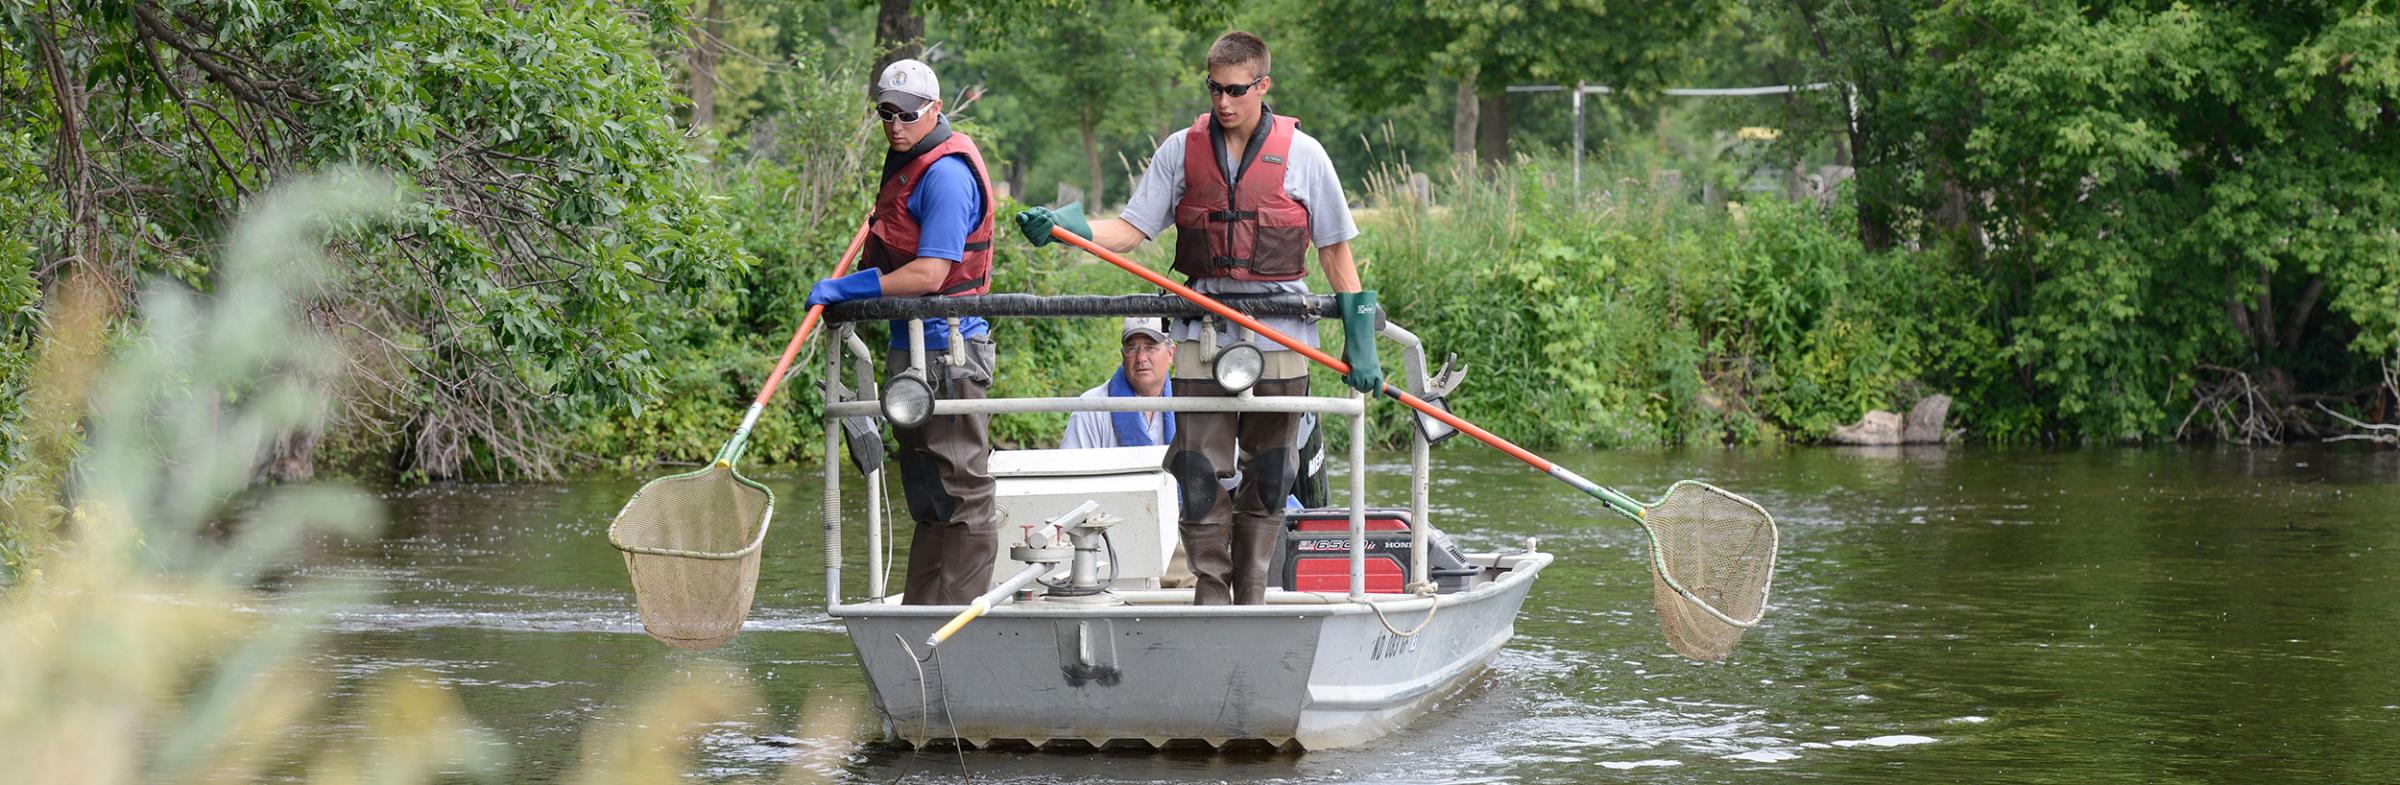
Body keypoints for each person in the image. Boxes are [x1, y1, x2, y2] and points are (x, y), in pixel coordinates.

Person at [1015, 31, 1384, 605]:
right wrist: (1072, 228)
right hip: (1200, 334)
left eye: (1236, 90)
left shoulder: (1304, 155)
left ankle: (1253, 592)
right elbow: (1131, 231)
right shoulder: (1178, 151)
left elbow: (1336, 252)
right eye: (1214, 88)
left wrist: (1361, 345)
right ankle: (1211, 592)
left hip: (1282, 333)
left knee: (1270, 473)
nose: (1223, 102)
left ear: (1264, 86)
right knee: (1195, 472)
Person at [805, 58, 999, 606]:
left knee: (961, 493)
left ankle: (958, 621)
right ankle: (919, 616)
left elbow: (931, 272)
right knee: (928, 496)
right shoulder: (907, 164)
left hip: (949, 354)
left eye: (907, 114)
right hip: (908, 351)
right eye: (886, 113)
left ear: (934, 110)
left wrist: (848, 288)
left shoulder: (945, 174)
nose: (895, 125)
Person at [1061, 318, 1178, 449]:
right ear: (1123, 355)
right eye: (1132, 349)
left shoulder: (1187, 405)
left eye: (1150, 348)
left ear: (1170, 353)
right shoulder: (1090, 408)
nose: (1141, 358)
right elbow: (1073, 467)